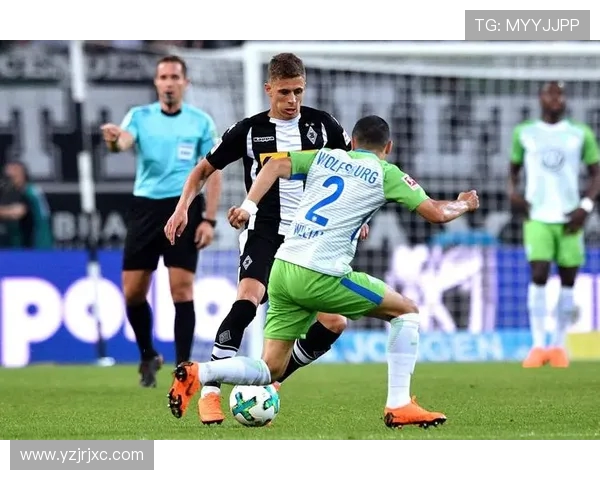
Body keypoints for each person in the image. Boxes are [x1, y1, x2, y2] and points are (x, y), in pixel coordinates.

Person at [165, 115, 480, 427]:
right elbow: (436, 213)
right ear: (389, 147)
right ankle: (399, 404)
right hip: (321, 274)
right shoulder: (386, 173)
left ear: (352, 143)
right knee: (406, 312)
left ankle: (199, 372)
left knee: (271, 368)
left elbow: (272, 165)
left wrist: (249, 206)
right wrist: (464, 203)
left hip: (283, 269)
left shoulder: (324, 157)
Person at [163, 52, 357, 425]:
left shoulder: (324, 125)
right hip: (264, 230)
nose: (292, 100)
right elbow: (203, 170)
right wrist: (182, 207)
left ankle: (273, 380)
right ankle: (208, 393)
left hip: (308, 237)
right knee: (247, 301)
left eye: (298, 91)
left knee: (334, 322)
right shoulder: (249, 131)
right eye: (284, 92)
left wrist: (353, 216)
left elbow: (354, 171)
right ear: (269, 89)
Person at [100, 55, 222, 387]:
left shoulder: (200, 122)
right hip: (145, 209)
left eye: (174, 77)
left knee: (181, 290)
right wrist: (113, 139)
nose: (169, 83)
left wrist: (209, 219)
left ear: (185, 83)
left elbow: (213, 171)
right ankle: (148, 354)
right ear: (156, 83)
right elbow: (122, 143)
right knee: (132, 293)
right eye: (164, 77)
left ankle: (183, 370)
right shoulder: (139, 116)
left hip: (183, 207)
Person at [509, 81, 600, 369]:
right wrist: (513, 193)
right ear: (541, 98)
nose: (555, 99)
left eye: (560, 94)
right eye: (550, 93)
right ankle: (538, 346)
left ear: (565, 99)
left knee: (568, 280)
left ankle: (559, 346)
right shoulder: (524, 132)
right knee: (538, 274)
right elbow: (513, 169)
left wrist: (586, 207)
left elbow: (596, 173)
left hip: (570, 217)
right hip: (537, 216)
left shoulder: (580, 133)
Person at [1, 160, 53, 249]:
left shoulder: (27, 193)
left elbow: (17, 212)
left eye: (10, 178)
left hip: (37, 245)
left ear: (21, 175)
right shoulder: (31, 189)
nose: (6, 182)